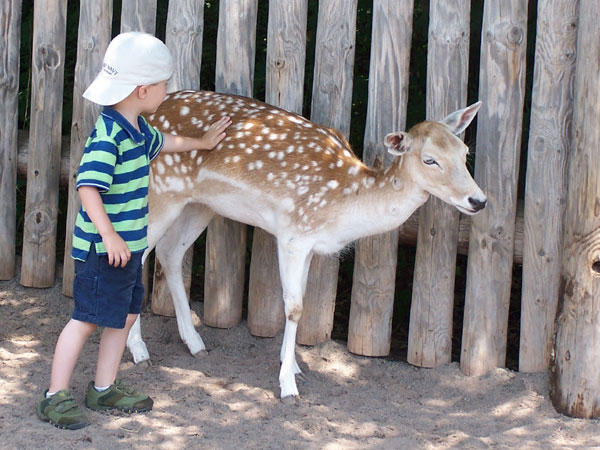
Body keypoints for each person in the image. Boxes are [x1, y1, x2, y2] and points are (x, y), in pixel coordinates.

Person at [37, 32, 231, 430]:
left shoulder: (139, 130)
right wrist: (108, 235)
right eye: (164, 85)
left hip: (128, 249)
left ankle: (103, 387)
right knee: (86, 319)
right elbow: (87, 186)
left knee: (125, 316)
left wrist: (203, 141)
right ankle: (54, 396)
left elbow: (167, 142)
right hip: (100, 250)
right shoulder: (108, 136)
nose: (167, 91)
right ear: (143, 89)